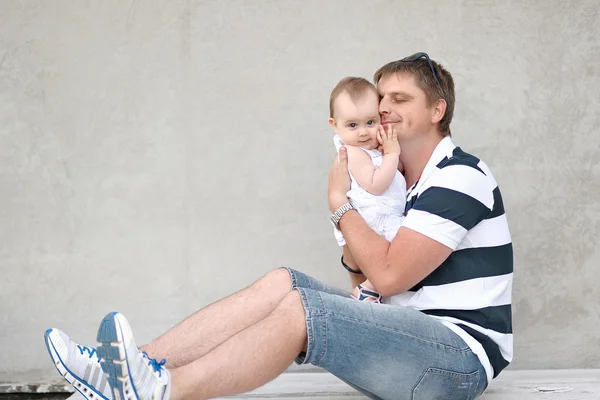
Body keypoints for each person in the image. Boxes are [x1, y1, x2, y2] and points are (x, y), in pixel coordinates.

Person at [44, 52, 513, 400]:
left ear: (438, 111)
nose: (384, 108)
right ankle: (124, 369)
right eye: (381, 96)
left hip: (455, 361)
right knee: (281, 283)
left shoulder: (459, 176)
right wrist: (355, 223)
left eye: (400, 98)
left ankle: (163, 389)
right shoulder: (399, 185)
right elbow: (367, 284)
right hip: (407, 336)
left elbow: (390, 277)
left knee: (302, 309)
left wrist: (339, 205)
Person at [327, 76, 406, 303]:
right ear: (335, 125)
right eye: (352, 125)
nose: (363, 132)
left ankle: (371, 287)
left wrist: (388, 155)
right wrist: (392, 154)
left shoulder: (369, 150)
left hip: (380, 216)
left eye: (370, 122)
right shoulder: (352, 153)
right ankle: (369, 288)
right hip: (373, 219)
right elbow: (376, 185)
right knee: (400, 247)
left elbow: (395, 175)